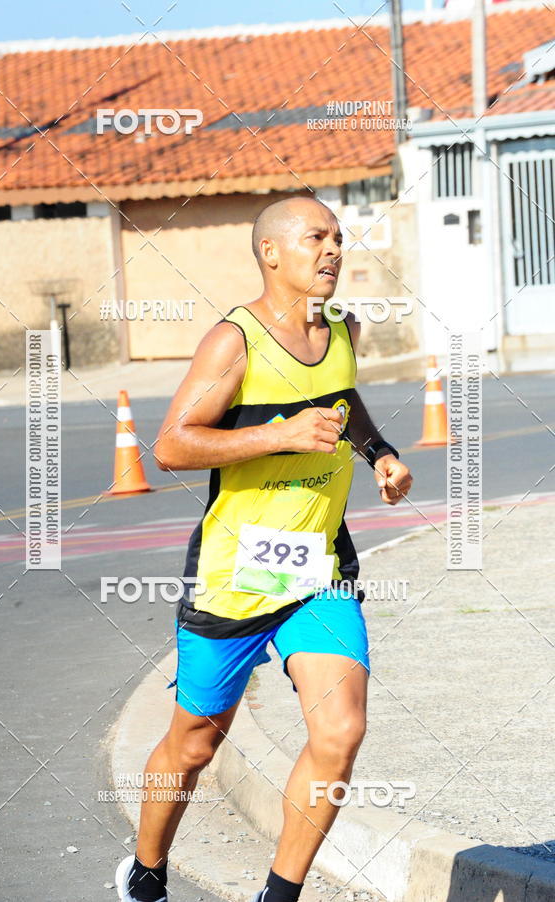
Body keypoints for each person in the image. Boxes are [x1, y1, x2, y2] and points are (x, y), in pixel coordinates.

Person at [115, 196, 413, 902]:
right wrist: (277, 434)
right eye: (317, 236)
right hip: (235, 574)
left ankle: (278, 897)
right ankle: (146, 874)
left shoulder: (345, 325)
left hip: (319, 569)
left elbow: (343, 400)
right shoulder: (235, 341)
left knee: (340, 730)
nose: (334, 249)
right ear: (272, 253)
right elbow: (172, 445)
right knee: (195, 744)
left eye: (339, 237)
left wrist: (378, 453)